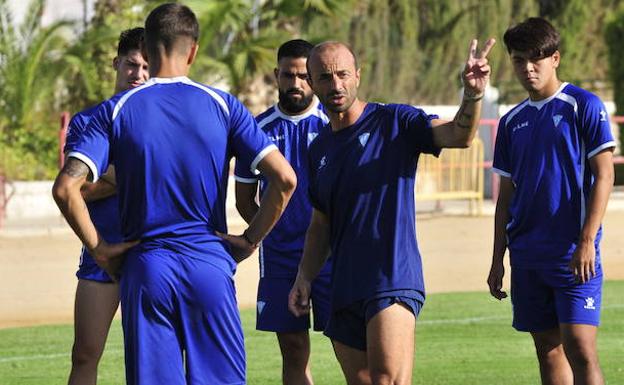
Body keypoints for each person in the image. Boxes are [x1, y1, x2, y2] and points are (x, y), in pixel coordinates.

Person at [52, 3, 296, 385]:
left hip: (147, 269)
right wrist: (250, 239)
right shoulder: (223, 105)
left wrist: (99, 248)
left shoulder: (115, 111)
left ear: (146, 50)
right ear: (194, 50)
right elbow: (285, 180)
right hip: (210, 266)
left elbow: (66, 188)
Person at [288, 39, 495, 385]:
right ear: (310, 82)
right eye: (324, 77)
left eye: (342, 74)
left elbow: (459, 135)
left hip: (392, 275)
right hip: (343, 284)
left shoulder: (394, 121)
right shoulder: (319, 148)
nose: (336, 84)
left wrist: (472, 94)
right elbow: (321, 223)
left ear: (358, 75)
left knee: (388, 380)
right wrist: (304, 277)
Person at [487, 17, 614, 385]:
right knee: (547, 350)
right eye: (518, 60)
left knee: (581, 349)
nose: (527, 68)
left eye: (535, 59)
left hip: (574, 256)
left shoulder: (583, 106)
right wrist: (498, 258)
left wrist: (587, 240)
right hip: (527, 257)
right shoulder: (511, 122)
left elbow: (604, 175)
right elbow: (505, 198)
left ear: (554, 58)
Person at [234, 39, 331, 385]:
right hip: (280, 259)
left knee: (350, 345)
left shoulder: (334, 126)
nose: (296, 84)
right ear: (277, 75)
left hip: (333, 257)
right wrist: (271, 232)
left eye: (305, 76)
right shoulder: (255, 132)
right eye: (289, 75)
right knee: (292, 350)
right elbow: (244, 201)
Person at [63, 27, 148, 385]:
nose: (138, 75)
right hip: (102, 252)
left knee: (152, 360)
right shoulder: (88, 121)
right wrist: (130, 172)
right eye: (131, 65)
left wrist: (107, 173)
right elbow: (75, 189)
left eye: (147, 67)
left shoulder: (159, 120)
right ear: (116, 63)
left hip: (152, 254)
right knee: (84, 354)